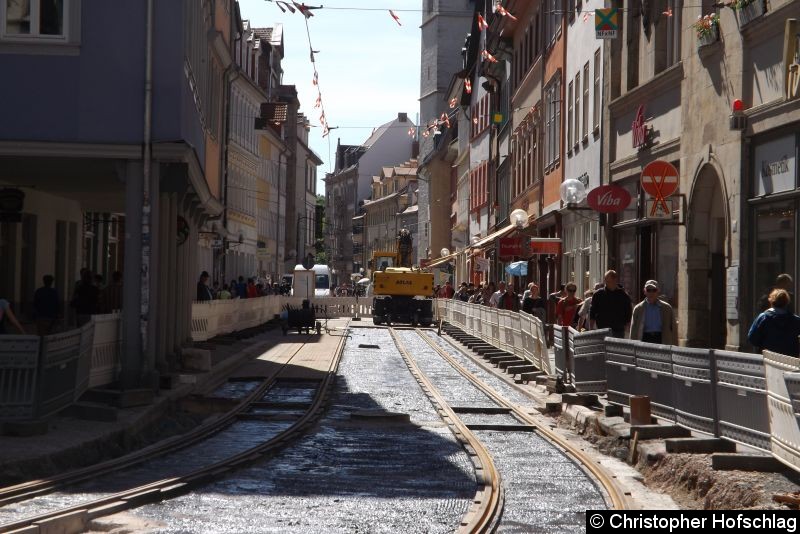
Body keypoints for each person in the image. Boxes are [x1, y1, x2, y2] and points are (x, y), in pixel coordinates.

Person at [748, 289, 800, 357]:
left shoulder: (763, 318)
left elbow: (752, 338)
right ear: (787, 302)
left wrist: (763, 345)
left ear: (771, 301)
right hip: (790, 360)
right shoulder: (796, 320)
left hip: (769, 358)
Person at [630, 280, 678, 345]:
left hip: (661, 339)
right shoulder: (638, 309)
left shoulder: (667, 308)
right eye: (648, 290)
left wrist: (675, 346)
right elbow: (633, 330)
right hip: (644, 339)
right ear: (644, 291)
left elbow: (673, 329)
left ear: (658, 291)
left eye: (654, 290)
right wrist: (632, 346)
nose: (651, 293)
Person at [589, 270, 632, 338]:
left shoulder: (624, 296)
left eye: (609, 281)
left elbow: (628, 313)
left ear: (615, 280)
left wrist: (628, 329)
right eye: (606, 280)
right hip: (602, 330)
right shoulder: (598, 294)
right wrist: (591, 328)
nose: (606, 283)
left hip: (618, 331)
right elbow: (592, 312)